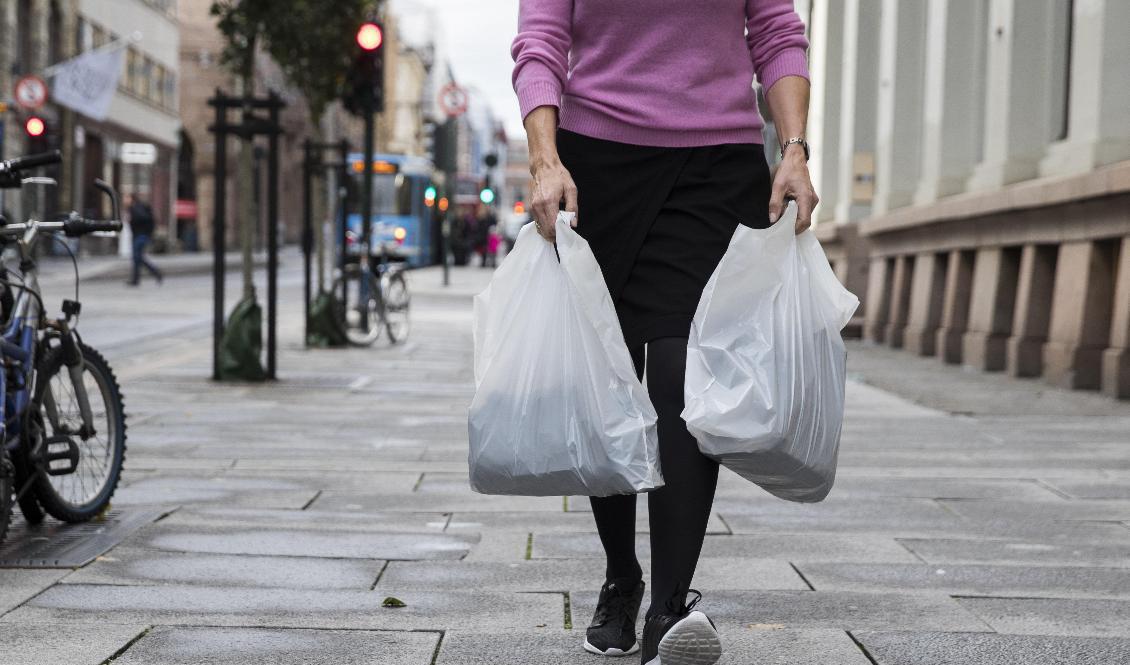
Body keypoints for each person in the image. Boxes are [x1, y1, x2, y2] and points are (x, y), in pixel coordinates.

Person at [511, 2, 818, 664]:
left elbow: (776, 30)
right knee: (609, 380)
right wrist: (544, 158)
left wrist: (794, 147)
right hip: (598, 167)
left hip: (716, 163)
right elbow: (540, 40)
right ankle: (623, 575)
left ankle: (669, 608)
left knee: (686, 367)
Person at [126, 193, 164, 286]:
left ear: (132, 199)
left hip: (141, 236)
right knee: (137, 258)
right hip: (140, 235)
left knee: (137, 257)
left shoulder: (136, 208)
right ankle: (137, 279)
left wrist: (132, 219)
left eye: (127, 198)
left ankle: (155, 273)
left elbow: (142, 218)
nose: (125, 200)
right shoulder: (134, 208)